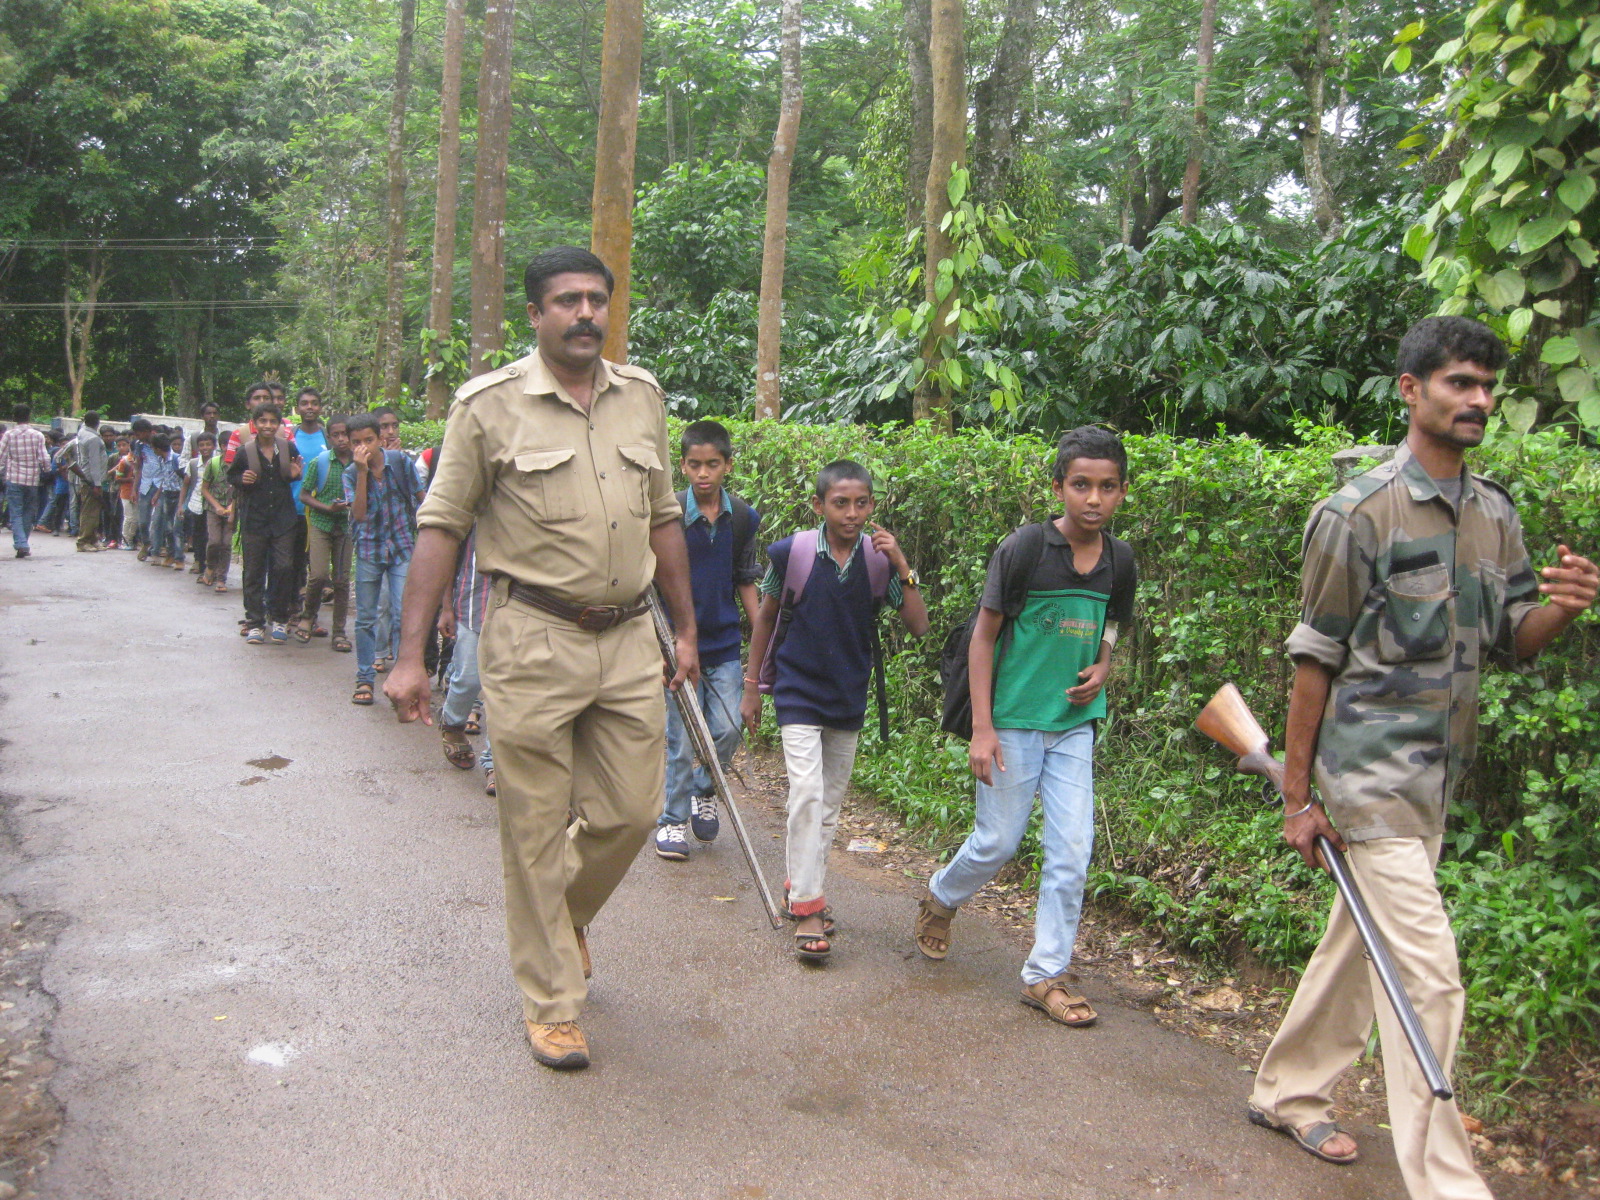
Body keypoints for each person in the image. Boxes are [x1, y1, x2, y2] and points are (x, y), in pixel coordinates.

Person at [1246, 316, 1598, 1200]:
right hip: (1366, 781)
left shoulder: (1494, 514)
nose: (1478, 400)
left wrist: (1567, 607)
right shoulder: (1358, 513)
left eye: (1486, 386)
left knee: (1356, 945)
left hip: (1435, 783)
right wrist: (1298, 798)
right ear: (1412, 391)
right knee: (1428, 980)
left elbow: (1517, 635)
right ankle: (1448, 1183)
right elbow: (1312, 660)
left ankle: (1286, 1091)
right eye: (1458, 384)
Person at [384, 246, 699, 1071]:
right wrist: (409, 655)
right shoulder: (486, 408)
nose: (585, 313)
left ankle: (561, 922)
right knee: (532, 826)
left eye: (597, 299)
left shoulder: (643, 399)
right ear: (536, 313)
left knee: (632, 812)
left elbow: (665, 514)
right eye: (567, 301)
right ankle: (553, 1003)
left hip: (631, 635)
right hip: (530, 638)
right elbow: (442, 525)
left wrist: (687, 627)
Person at [913, 426, 1136, 1027]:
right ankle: (942, 895)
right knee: (999, 841)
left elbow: (1114, 621)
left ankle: (1046, 975)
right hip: (1011, 723)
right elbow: (983, 638)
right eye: (1081, 485)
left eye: (1107, 487)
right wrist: (982, 729)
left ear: (1120, 493)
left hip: (1073, 726)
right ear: (1059, 486)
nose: (1093, 498)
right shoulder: (1024, 550)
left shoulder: (1120, 560)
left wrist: (1105, 663)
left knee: (1071, 850)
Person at [741, 460, 930, 962]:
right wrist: (752, 685)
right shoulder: (792, 553)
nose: (852, 513)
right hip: (797, 689)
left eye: (862, 503)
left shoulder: (878, 560)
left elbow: (919, 626)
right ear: (818, 506)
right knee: (806, 792)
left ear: (872, 505)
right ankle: (807, 907)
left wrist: (904, 566)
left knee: (826, 808)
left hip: (848, 693)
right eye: (840, 503)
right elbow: (766, 618)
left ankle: (801, 885)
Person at [654, 419, 762, 861]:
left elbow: (746, 579)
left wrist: (763, 635)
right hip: (679, 647)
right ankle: (673, 821)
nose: (703, 473)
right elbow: (651, 581)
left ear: (727, 466)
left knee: (728, 727)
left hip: (723, 645)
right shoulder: (669, 517)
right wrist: (661, 639)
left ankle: (705, 791)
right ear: (682, 466)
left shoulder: (743, 517)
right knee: (681, 740)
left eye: (712, 464)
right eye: (695, 465)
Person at [345, 412, 421, 704]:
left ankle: (401, 678)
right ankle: (364, 679)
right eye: (357, 442)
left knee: (404, 613)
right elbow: (360, 514)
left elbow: (420, 496)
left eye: (369, 440)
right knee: (366, 617)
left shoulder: (400, 463)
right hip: (368, 550)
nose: (364, 447)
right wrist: (362, 472)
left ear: (379, 439)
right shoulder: (351, 473)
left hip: (402, 547)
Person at [229, 402, 303, 645]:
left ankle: (279, 617)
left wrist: (296, 474)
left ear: (279, 424)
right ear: (255, 424)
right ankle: (255, 622)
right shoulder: (245, 452)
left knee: (283, 567)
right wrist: (242, 478)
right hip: (254, 520)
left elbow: (295, 472)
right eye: (263, 421)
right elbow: (232, 476)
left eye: (273, 421)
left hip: (283, 519)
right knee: (253, 571)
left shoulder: (287, 447)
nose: (268, 426)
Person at [436, 527, 496, 793]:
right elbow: (448, 557)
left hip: (518, 615)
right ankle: (452, 723)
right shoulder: (473, 509)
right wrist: (446, 608)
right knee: (468, 679)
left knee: (502, 695)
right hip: (471, 609)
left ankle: (494, 763)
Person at [297, 413, 354, 650]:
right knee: (318, 575)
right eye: (336, 435)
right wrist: (328, 508)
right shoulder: (319, 462)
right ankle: (308, 615)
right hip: (321, 524)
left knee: (341, 580)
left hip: (347, 526)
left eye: (345, 434)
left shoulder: (359, 464)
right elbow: (304, 495)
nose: (341, 439)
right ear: (329, 438)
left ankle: (339, 632)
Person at [290, 388, 329, 613]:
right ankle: (293, 610)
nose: (310, 408)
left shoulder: (328, 437)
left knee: (316, 567)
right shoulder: (290, 436)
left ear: (320, 407)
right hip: (293, 508)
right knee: (293, 563)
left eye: (314, 403)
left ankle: (310, 615)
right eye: (305, 403)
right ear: (298, 408)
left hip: (320, 511)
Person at [0, 404, 52, 558]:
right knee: (29, 512)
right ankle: (23, 543)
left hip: (14, 478)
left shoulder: (9, 435)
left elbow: (1, 457)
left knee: (15, 512)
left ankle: (21, 543)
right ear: (29, 416)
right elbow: (44, 457)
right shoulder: (37, 435)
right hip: (32, 480)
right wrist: (48, 471)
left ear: (14, 418)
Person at [200, 434, 237, 591]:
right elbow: (204, 488)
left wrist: (231, 507)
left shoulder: (240, 465)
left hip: (232, 510)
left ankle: (222, 578)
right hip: (213, 509)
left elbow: (241, 490)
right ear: (222, 447)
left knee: (226, 544)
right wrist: (216, 506)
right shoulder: (213, 464)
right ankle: (210, 567)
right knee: (215, 541)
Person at [144, 433, 186, 568]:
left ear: (157, 448)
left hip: (179, 494)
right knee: (168, 528)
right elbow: (165, 478)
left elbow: (185, 479)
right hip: (167, 494)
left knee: (177, 528)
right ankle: (170, 555)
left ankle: (179, 558)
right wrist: (158, 493)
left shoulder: (176, 459)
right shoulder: (162, 460)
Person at [69, 411, 108, 552]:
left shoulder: (82, 433)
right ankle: (83, 541)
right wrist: (97, 484)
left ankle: (92, 538)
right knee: (89, 512)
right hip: (91, 480)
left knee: (93, 511)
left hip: (87, 477)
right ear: (98, 422)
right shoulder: (93, 439)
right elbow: (95, 463)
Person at [182, 432, 217, 578]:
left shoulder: (217, 462)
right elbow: (186, 485)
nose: (205, 447)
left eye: (208, 444)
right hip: (196, 503)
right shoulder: (193, 463)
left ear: (214, 446)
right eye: (201, 445)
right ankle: (199, 561)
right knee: (198, 535)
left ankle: (211, 565)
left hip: (212, 504)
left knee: (211, 537)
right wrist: (181, 506)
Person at [224, 383, 274, 464]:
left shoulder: (284, 433)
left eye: (266, 398)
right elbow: (230, 470)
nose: (262, 401)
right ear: (247, 404)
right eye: (257, 398)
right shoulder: (238, 435)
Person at [113, 436, 139, 550]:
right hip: (126, 493)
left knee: (136, 518)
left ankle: (130, 539)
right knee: (129, 517)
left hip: (138, 493)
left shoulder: (140, 461)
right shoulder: (124, 461)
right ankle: (125, 541)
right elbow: (117, 478)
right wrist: (130, 480)